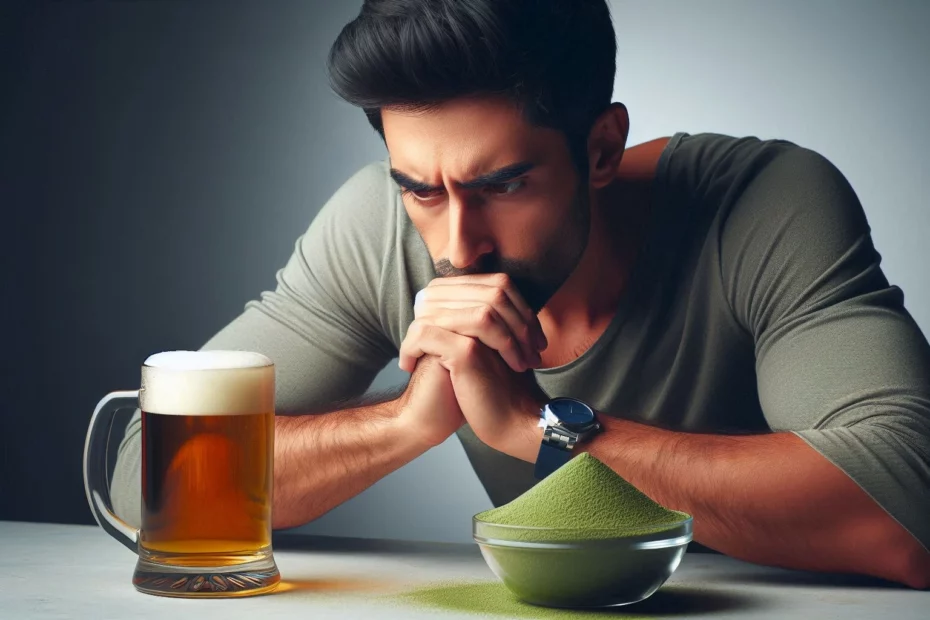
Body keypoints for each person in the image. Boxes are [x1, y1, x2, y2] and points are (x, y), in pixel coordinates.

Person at [110, 0, 930, 587]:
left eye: (502, 185)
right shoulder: (378, 225)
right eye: (421, 189)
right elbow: (151, 481)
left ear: (602, 149)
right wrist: (403, 425)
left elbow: (910, 511)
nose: (457, 245)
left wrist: (540, 428)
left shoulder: (763, 201)